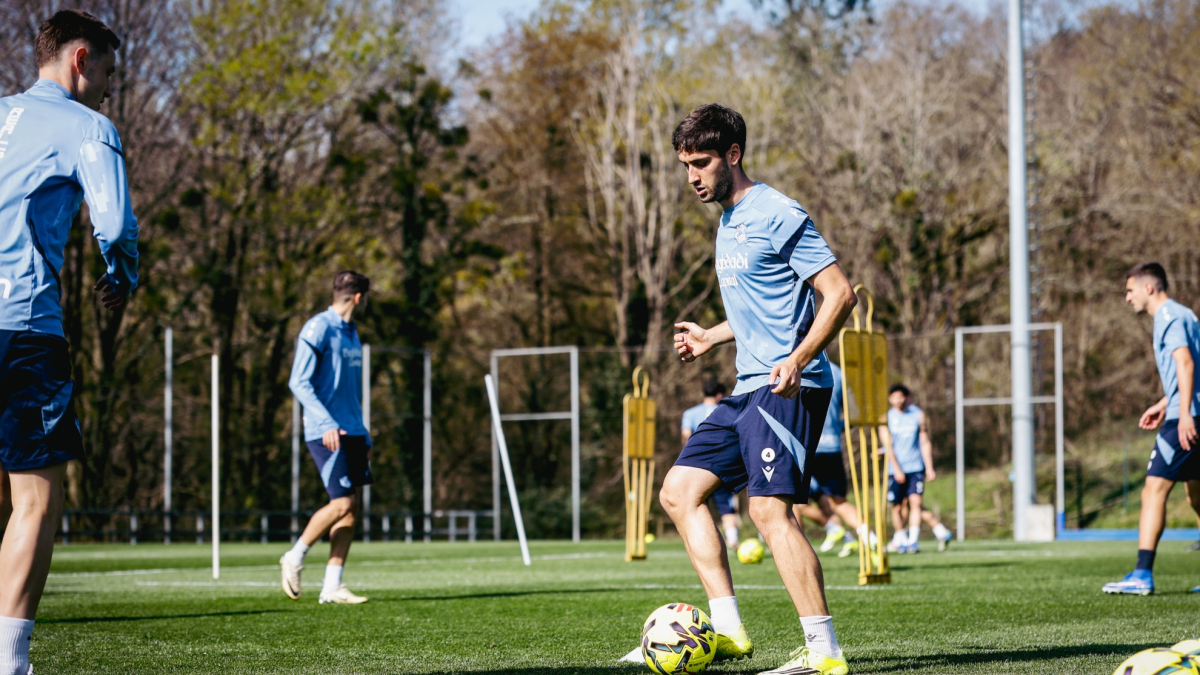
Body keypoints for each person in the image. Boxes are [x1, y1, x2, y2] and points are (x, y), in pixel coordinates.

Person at [624, 103, 858, 675]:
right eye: (685, 166)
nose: (692, 177)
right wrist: (711, 336)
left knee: (769, 512)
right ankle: (727, 630)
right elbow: (764, 309)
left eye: (701, 163)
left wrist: (800, 359)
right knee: (679, 493)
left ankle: (825, 656)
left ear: (733, 155)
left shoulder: (778, 212)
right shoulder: (728, 220)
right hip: (746, 385)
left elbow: (839, 293)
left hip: (788, 388)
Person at [0, 10, 139, 675]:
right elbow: (112, 224)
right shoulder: (89, 126)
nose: (110, 89)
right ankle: (11, 663)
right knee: (35, 498)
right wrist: (123, 275)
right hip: (23, 326)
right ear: (81, 59)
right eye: (108, 73)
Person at [1103, 263, 1200, 596]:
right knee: (1197, 496)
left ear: (1148, 288)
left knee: (1152, 491)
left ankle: (1142, 574)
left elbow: (1185, 362)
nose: (1127, 298)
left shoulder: (1168, 316)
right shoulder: (1185, 314)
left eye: (1129, 290)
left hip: (1186, 420)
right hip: (1188, 412)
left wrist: (1183, 413)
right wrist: (1164, 404)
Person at [280, 271, 374, 605]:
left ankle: (332, 585)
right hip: (326, 431)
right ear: (360, 297)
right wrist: (327, 421)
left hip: (352, 431)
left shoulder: (351, 333)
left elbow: (349, 392)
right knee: (341, 503)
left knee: (351, 511)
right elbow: (298, 382)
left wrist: (364, 435)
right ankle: (295, 555)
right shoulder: (318, 327)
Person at [878, 384, 952, 554]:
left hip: (915, 468)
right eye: (894, 397)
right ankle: (902, 538)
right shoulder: (886, 418)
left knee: (915, 503)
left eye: (901, 397)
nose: (898, 400)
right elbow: (889, 446)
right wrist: (896, 468)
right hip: (894, 469)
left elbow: (924, 442)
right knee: (898, 507)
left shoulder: (918, 415)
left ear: (907, 398)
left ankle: (912, 542)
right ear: (890, 399)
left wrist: (929, 467)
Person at [807, 363, 871, 558]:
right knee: (838, 502)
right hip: (832, 447)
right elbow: (856, 415)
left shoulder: (795, 364)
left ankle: (833, 529)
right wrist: (836, 428)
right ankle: (870, 539)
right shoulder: (837, 372)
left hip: (804, 447)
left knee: (792, 502)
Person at [681, 379, 742, 547]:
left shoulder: (690, 413)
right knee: (726, 508)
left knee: (695, 506)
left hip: (696, 466)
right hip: (722, 465)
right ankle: (732, 538)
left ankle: (700, 542)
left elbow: (686, 438)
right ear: (719, 395)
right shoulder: (728, 411)